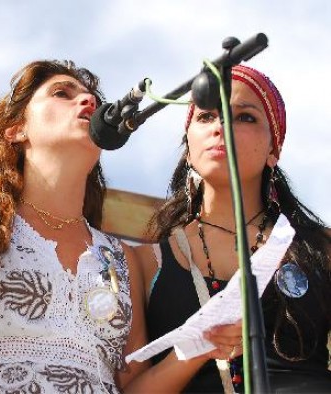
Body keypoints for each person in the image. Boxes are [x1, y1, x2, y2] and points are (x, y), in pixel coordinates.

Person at [0, 59, 242, 394]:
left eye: (92, 98)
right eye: (62, 93)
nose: (86, 100)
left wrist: (198, 347)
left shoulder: (118, 259)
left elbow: (132, 386)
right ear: (16, 130)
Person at [135, 64, 331, 392]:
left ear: (273, 149)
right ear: (188, 147)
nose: (221, 126)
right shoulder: (143, 262)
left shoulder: (320, 247)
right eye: (206, 116)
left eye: (245, 117)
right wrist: (195, 348)